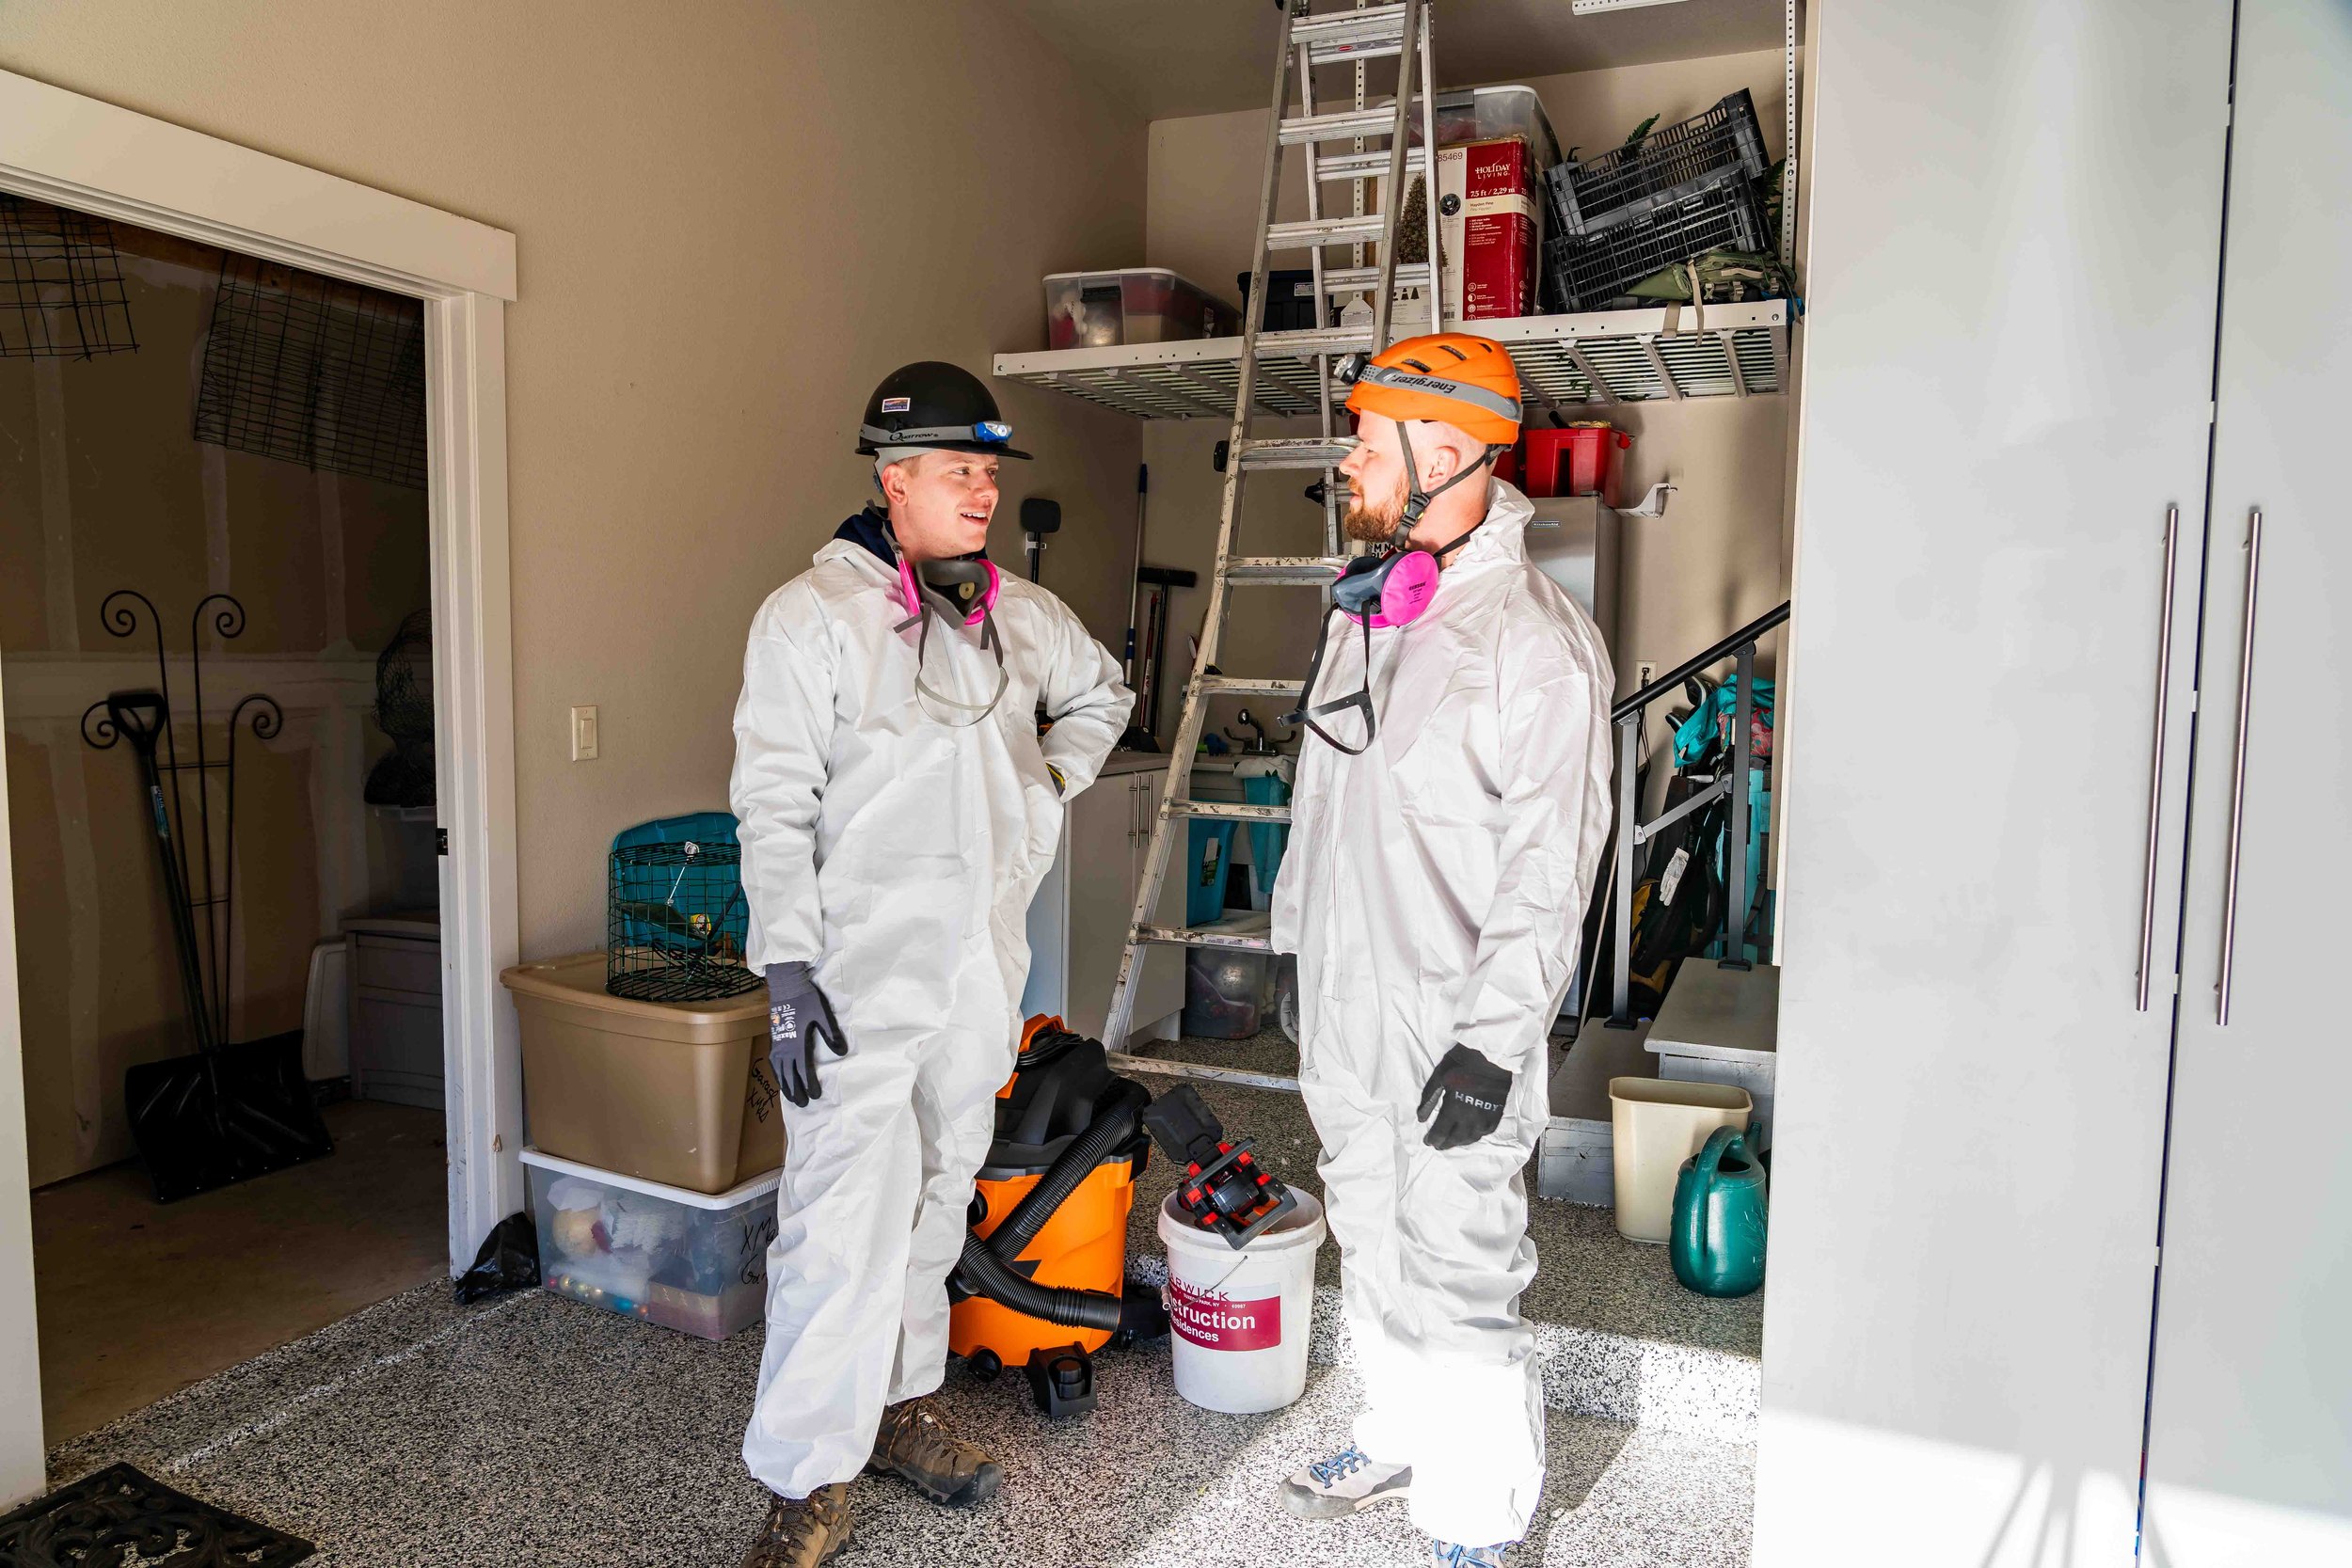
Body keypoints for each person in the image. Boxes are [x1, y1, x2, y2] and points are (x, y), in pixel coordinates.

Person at [729, 361, 1131, 1568]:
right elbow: (770, 801)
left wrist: (1045, 786)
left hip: (973, 962)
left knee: (934, 1190)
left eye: (991, 472)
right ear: (891, 477)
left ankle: (899, 1403)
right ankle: (807, 1478)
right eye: (958, 469)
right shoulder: (811, 617)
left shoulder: (1018, 612)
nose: (983, 491)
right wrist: (786, 970)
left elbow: (1101, 693)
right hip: (853, 974)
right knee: (836, 1216)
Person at [1269, 334, 1615, 1567]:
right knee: (1367, 1221)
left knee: (1458, 1255)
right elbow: (1329, 799)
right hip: (1351, 1000)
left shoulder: (1535, 641)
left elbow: (1550, 863)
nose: (1349, 459)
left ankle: (1476, 1516)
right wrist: (1293, 941)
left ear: (1446, 450)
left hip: (1456, 1018)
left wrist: (1491, 1037)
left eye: (1370, 438)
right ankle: (1401, 1426)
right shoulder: (1378, 606)